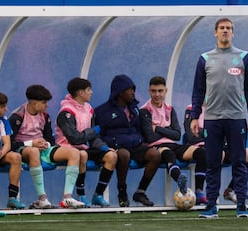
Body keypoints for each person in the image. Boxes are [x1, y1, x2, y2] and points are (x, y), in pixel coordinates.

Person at [190, 18, 248, 218]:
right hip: (212, 119)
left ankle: (242, 206)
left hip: (237, 118)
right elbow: (198, 91)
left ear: (233, 33)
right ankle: (211, 206)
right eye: (222, 28)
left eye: (229, 28)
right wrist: (195, 116)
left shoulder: (244, 57)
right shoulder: (205, 58)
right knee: (213, 163)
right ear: (215, 33)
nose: (225, 31)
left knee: (239, 161)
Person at [9, 84, 85, 209]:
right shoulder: (17, 116)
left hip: (42, 149)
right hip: (23, 149)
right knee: (34, 152)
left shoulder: (45, 116)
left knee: (74, 153)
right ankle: (42, 198)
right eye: (44, 102)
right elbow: (11, 144)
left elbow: (50, 139)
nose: (47, 105)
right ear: (34, 103)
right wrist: (31, 144)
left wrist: (46, 144)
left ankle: (67, 197)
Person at [94, 74, 163, 207]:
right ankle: (122, 191)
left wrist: (140, 140)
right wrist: (111, 143)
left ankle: (141, 191)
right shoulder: (103, 111)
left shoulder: (135, 109)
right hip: (116, 147)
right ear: (120, 92)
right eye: (129, 89)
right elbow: (101, 134)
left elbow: (139, 130)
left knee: (155, 154)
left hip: (135, 145)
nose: (133, 92)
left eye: (133, 89)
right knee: (124, 154)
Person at [139, 76, 207, 204]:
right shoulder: (144, 111)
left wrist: (158, 128)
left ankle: (199, 191)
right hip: (156, 147)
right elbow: (150, 137)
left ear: (166, 90)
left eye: (160, 91)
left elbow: (177, 135)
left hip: (173, 144)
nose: (157, 94)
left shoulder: (169, 109)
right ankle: (181, 182)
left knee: (201, 152)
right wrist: (168, 130)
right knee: (168, 153)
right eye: (153, 91)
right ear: (149, 91)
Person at [55, 77, 119, 207]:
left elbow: (93, 135)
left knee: (112, 156)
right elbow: (74, 138)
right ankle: (81, 195)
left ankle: (98, 195)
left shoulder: (89, 109)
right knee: (82, 154)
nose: (92, 92)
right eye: (89, 89)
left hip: (83, 147)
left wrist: (103, 147)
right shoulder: (66, 112)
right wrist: (93, 131)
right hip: (67, 148)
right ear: (80, 93)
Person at [184, 103, 248, 204]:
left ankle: (230, 190)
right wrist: (210, 135)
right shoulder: (192, 109)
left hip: (222, 144)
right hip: (201, 146)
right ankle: (210, 195)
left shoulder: (220, 106)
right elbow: (191, 136)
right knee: (217, 153)